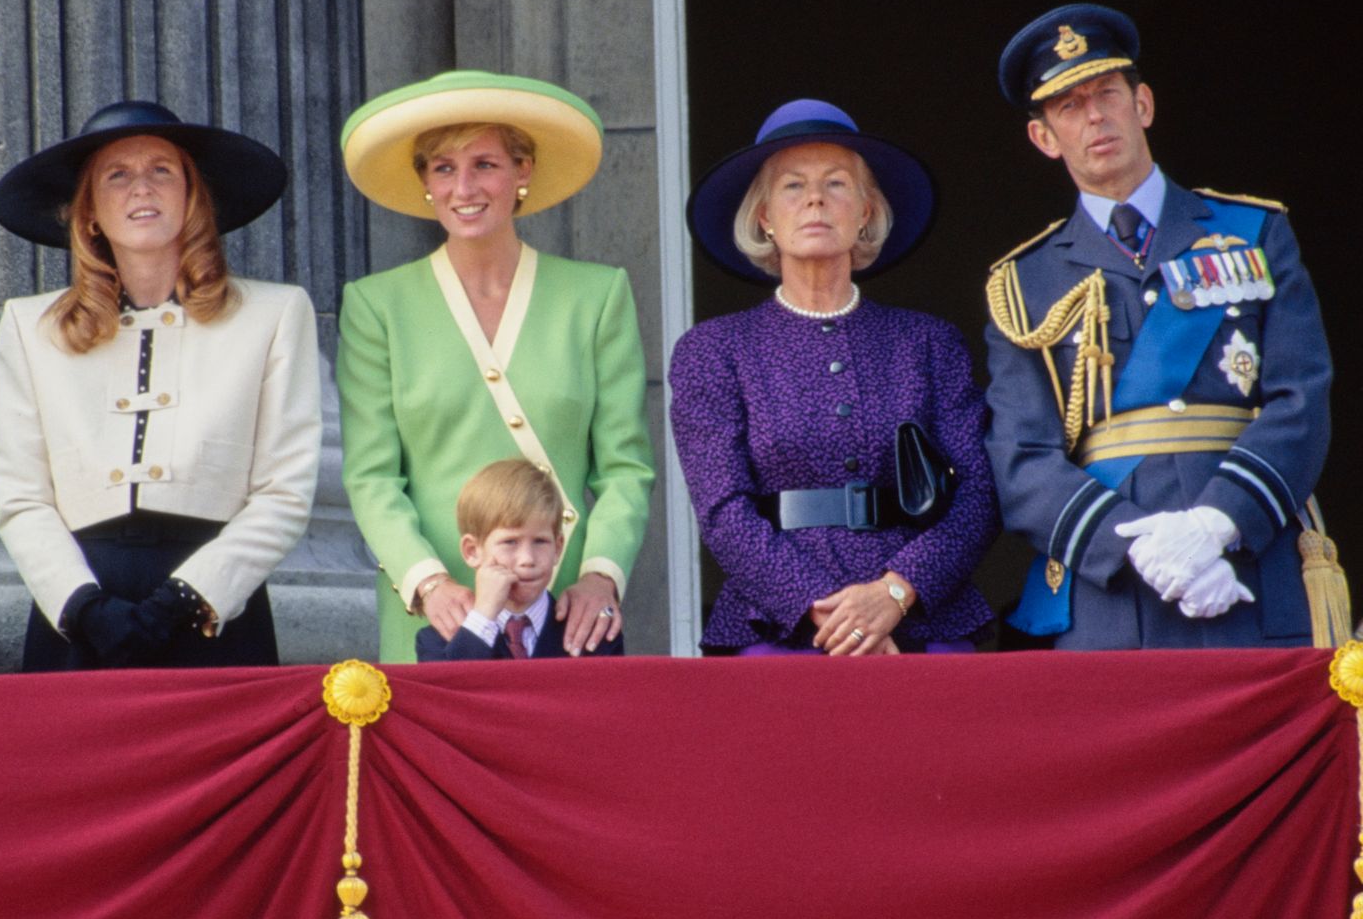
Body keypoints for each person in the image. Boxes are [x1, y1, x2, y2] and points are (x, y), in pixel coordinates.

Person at [984, 4, 1333, 649]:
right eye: (1068, 106)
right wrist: (1137, 547)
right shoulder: (1023, 283)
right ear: (1044, 137)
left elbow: (1300, 401)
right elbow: (1021, 458)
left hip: (1246, 570)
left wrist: (1216, 525)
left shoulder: (1254, 231)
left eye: (1106, 94)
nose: (1094, 116)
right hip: (1112, 599)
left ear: (1142, 104)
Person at [0, 101, 320, 670]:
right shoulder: (29, 327)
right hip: (80, 610)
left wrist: (190, 597)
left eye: (162, 170)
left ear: (193, 198)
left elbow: (284, 491)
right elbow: (21, 497)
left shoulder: (275, 314)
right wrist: (81, 606)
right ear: (88, 212)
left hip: (216, 609)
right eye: (117, 175)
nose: (142, 187)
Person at [337, 70, 655, 664]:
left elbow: (626, 469)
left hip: (566, 612)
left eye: (485, 164)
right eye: (443, 168)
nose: (464, 187)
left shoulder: (596, 295)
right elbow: (372, 478)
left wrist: (601, 577)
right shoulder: (376, 306)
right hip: (437, 617)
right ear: (425, 183)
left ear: (523, 171)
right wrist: (427, 582)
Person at [671, 99, 998, 656]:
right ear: (765, 217)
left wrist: (895, 594)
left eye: (838, 183)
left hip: (920, 619)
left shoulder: (929, 342)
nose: (816, 199)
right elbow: (723, 511)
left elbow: (980, 495)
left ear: (866, 210)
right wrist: (837, 615)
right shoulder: (713, 350)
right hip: (782, 624)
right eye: (793, 186)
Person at [416, 458, 625, 661]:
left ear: (558, 548)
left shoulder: (593, 634)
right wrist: (483, 617)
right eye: (510, 542)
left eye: (540, 542)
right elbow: (450, 689)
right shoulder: (436, 641)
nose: (527, 559)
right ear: (472, 551)